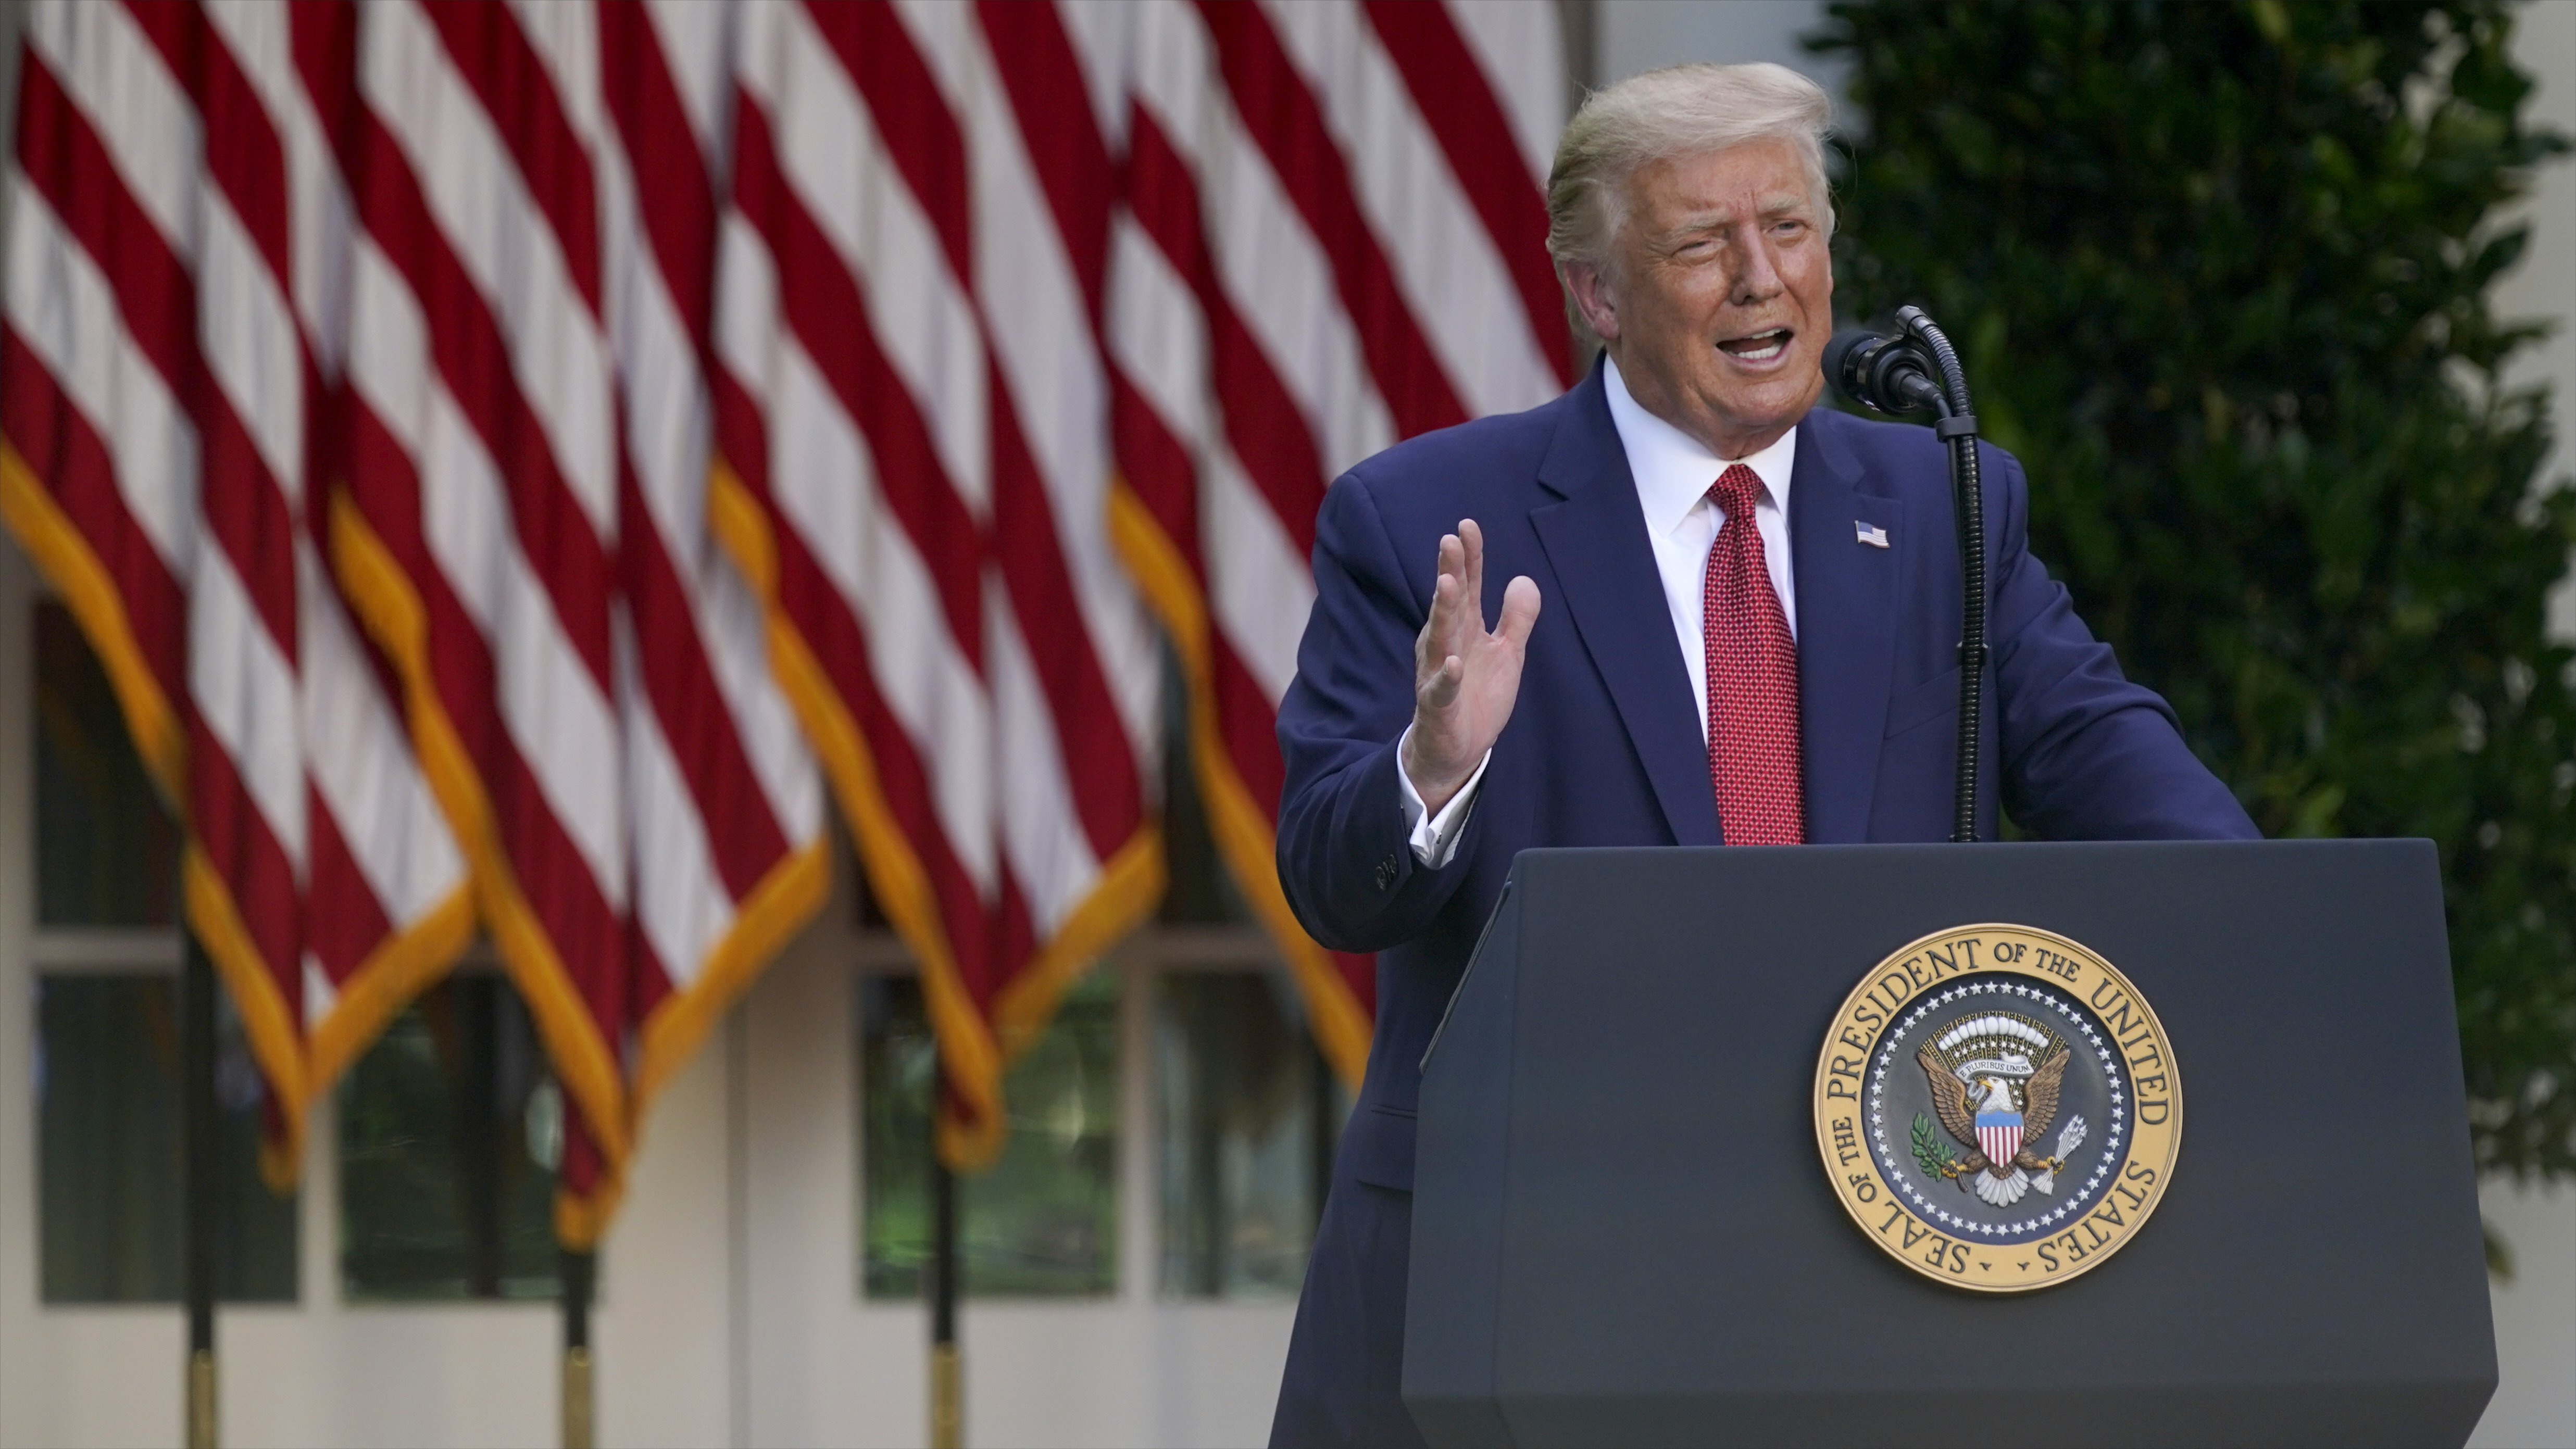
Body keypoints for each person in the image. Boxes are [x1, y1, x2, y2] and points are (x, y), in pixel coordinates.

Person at [1265, 61, 2258, 1448]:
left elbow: (2111, 758)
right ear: (1598, 296)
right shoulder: (1427, 518)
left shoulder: (1943, 510)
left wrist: (2272, 929)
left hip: (1864, 1284)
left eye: (1787, 230)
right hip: (1522, 1289)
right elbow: (1334, 881)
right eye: (1698, 244)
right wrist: (1431, 766)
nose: (1758, 280)